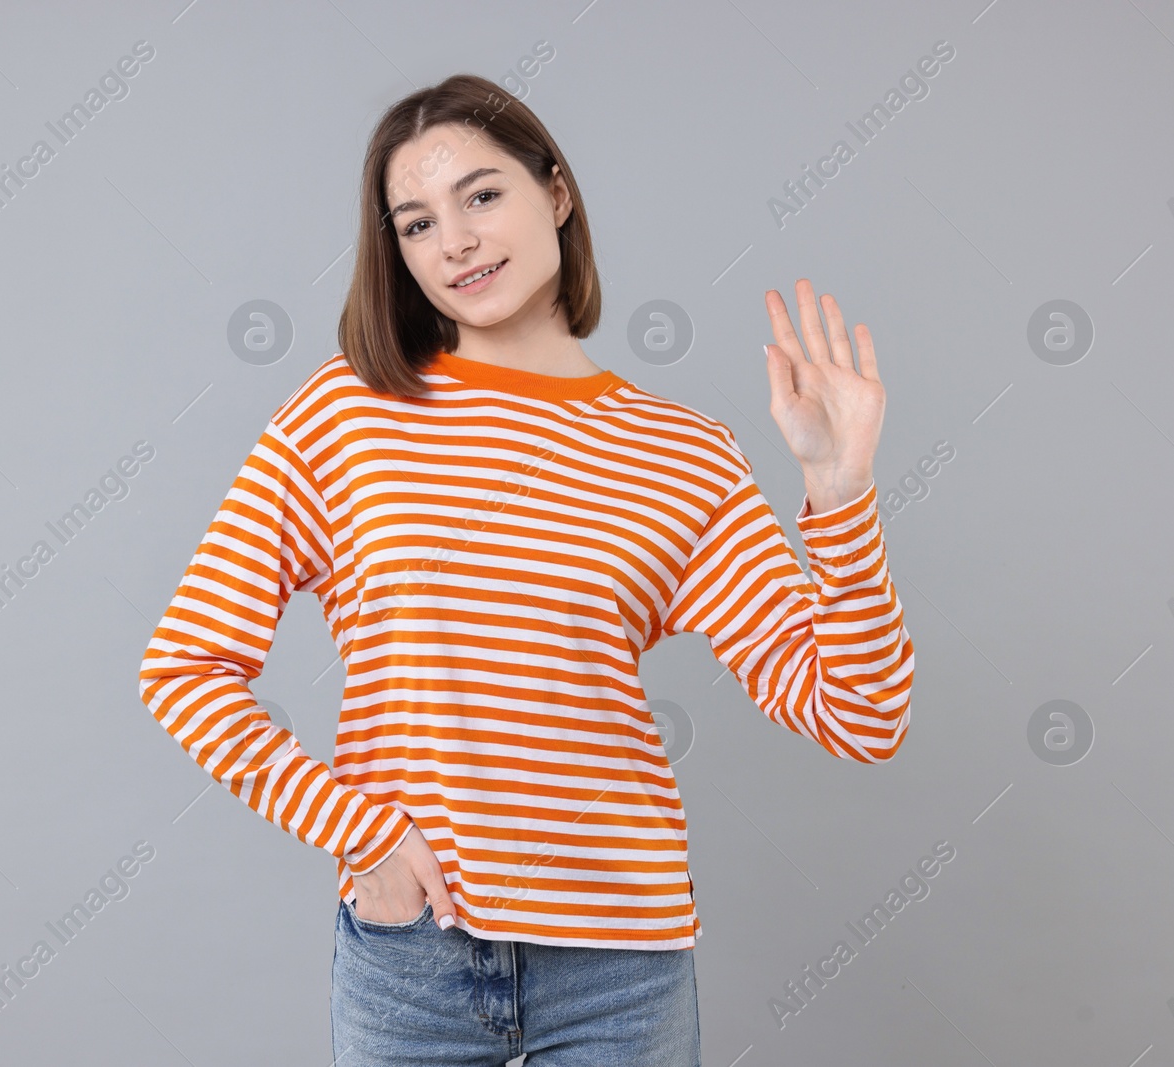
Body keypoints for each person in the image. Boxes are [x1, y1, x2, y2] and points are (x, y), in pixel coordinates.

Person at [138, 73, 914, 1067]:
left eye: (481, 194)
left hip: (620, 967)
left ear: (555, 193)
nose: (453, 239)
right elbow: (185, 667)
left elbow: (858, 715)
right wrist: (361, 833)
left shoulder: (684, 455)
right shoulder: (345, 417)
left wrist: (838, 488)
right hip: (409, 958)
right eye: (414, 222)